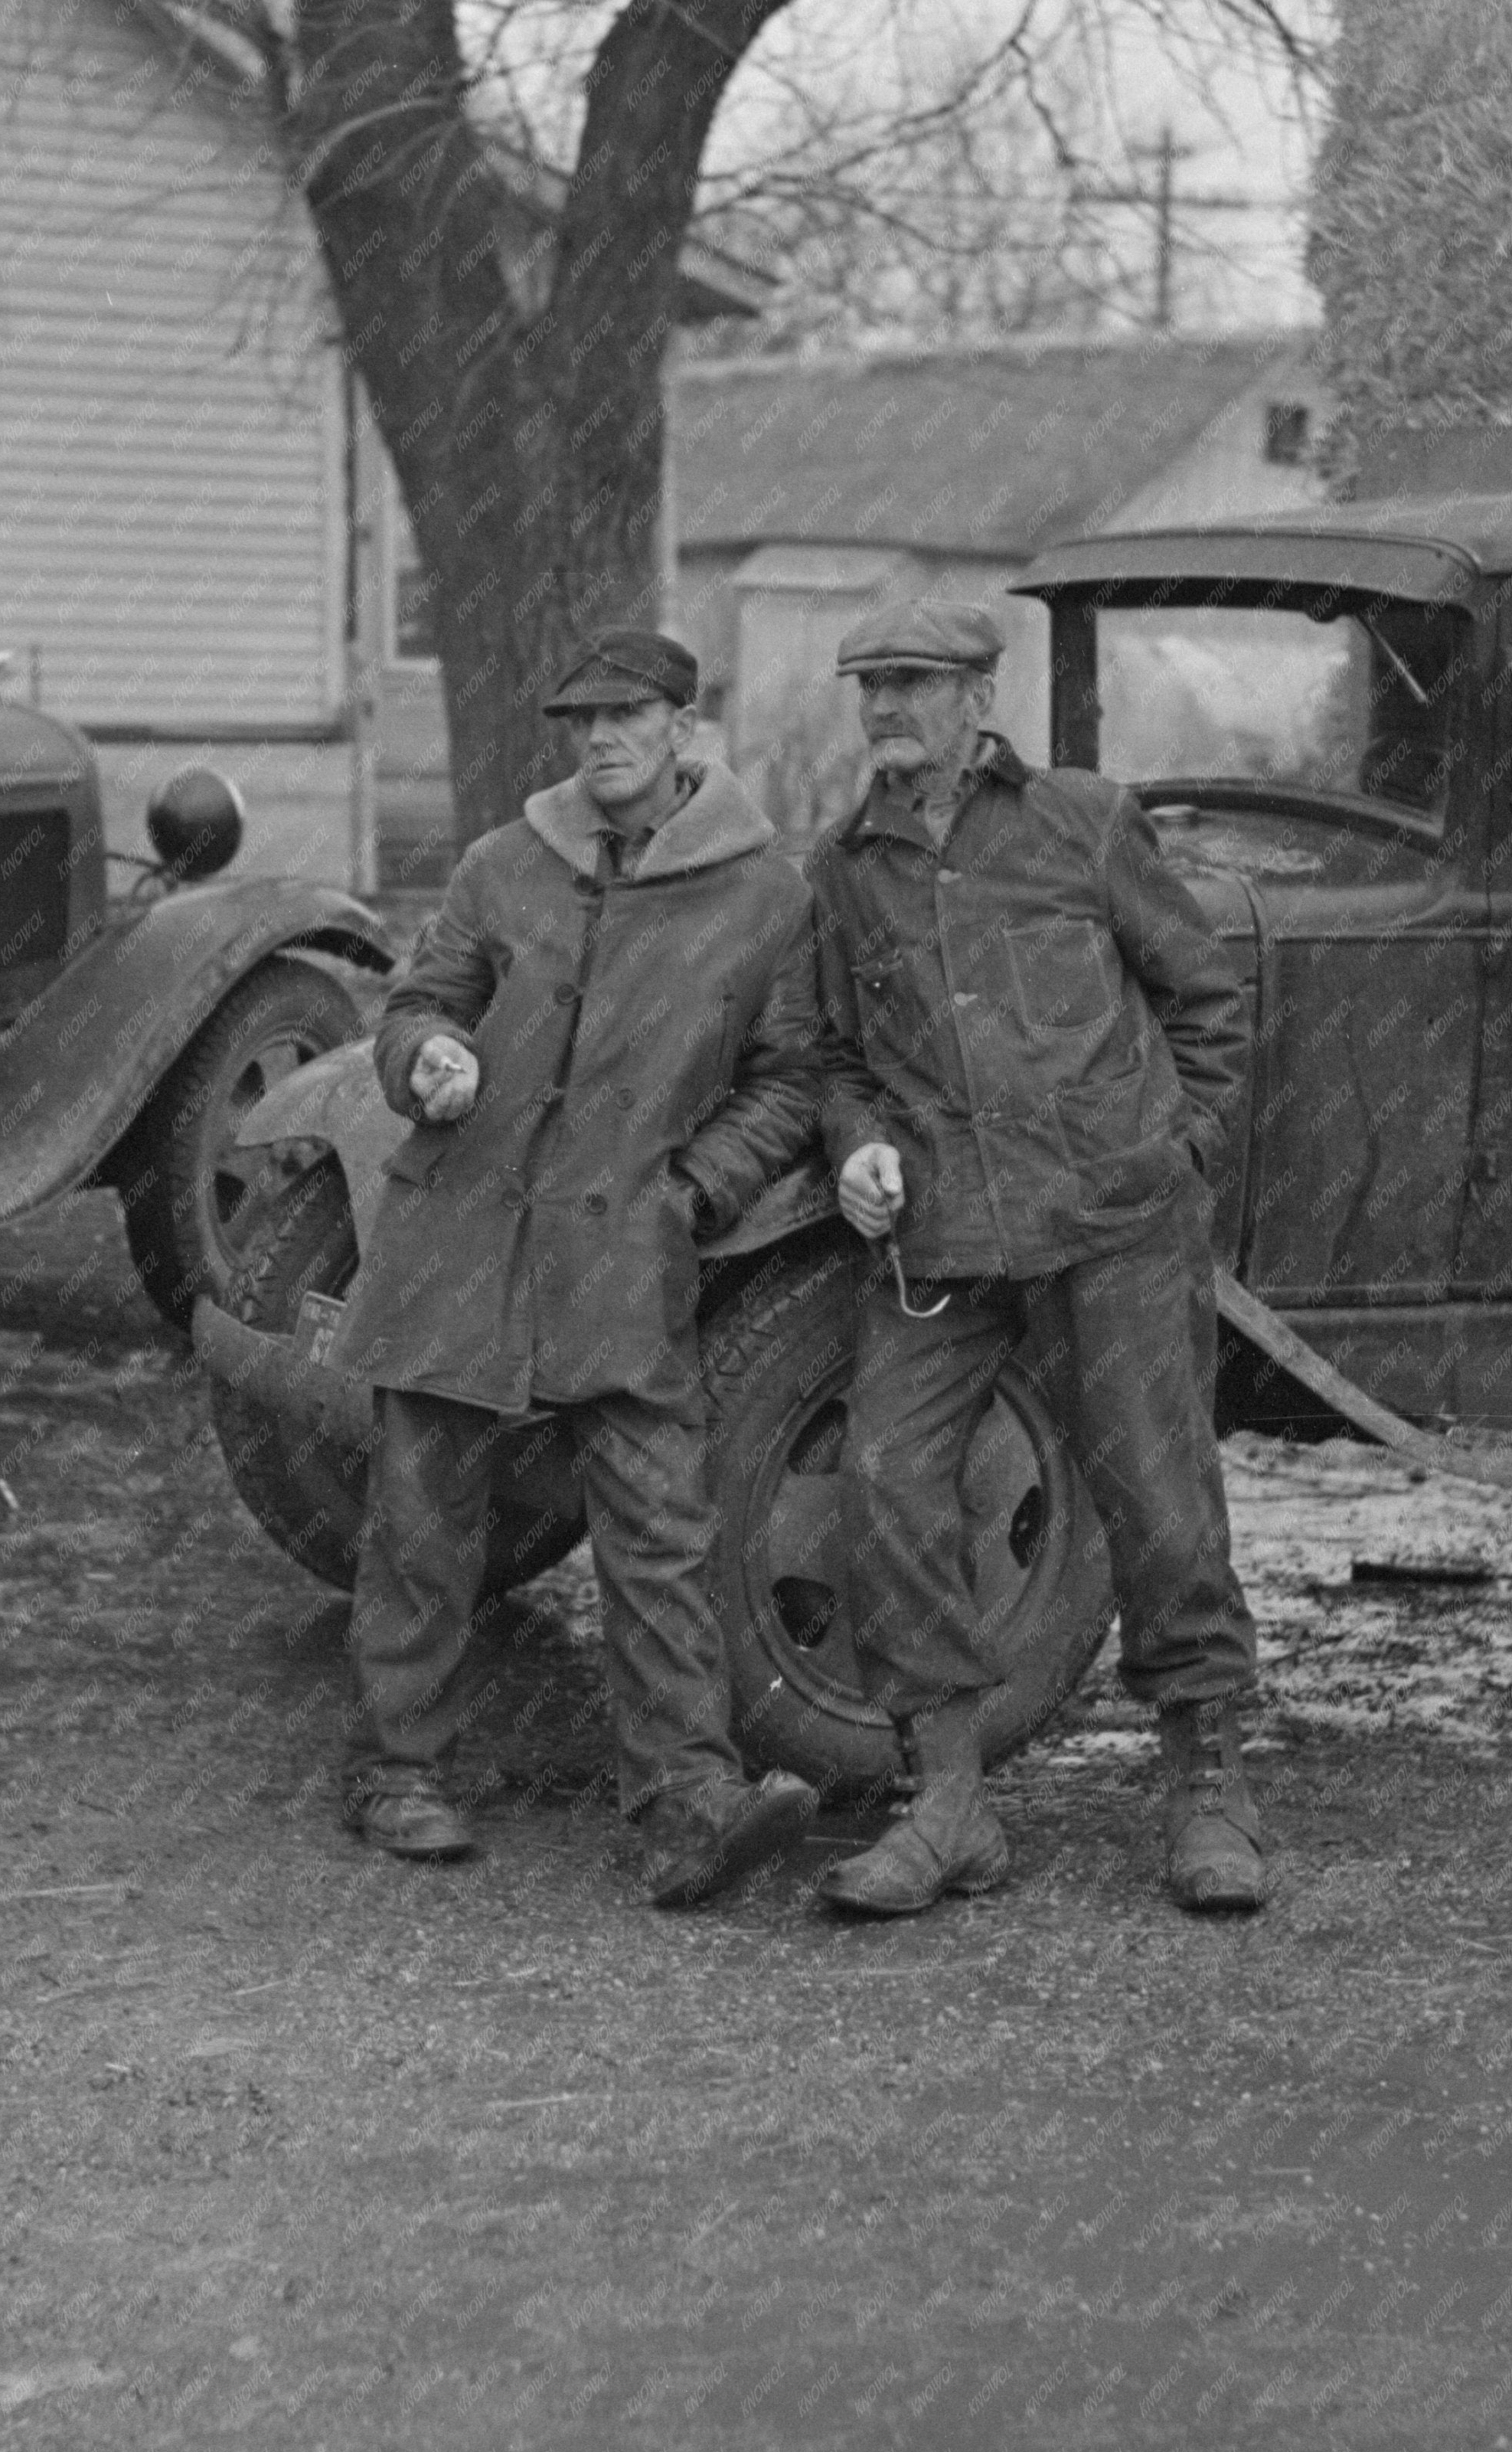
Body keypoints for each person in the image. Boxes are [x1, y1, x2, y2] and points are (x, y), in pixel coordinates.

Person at [332, 626, 822, 1908]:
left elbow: (793, 1081)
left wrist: (694, 1191)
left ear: (682, 727)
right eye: (582, 720)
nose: (600, 740)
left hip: (624, 1240)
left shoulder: (763, 894)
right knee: (425, 1516)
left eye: (628, 716)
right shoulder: (508, 864)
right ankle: (399, 1771)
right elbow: (415, 999)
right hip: (464, 1224)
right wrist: (424, 1057)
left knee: (659, 1526)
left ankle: (686, 1804)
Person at [805, 593, 1267, 1918]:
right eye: (869, 685)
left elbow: (1202, 991)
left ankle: (1208, 1781)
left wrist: (1184, 1150)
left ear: (978, 700)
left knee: (1160, 1493)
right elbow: (833, 1054)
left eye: (910, 682)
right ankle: (948, 1798)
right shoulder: (845, 867)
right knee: (887, 1477)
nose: (884, 708)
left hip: (1113, 1219)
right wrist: (856, 1142)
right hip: (945, 1238)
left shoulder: (1081, 822)